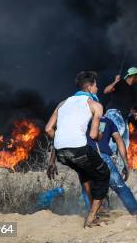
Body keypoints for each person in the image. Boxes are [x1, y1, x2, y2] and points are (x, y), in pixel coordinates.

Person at [44, 71, 110, 228]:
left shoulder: (63, 103)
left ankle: (92, 210)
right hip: (78, 149)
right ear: (88, 87)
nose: (97, 88)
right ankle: (92, 217)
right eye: (95, 85)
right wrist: (101, 135)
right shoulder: (95, 105)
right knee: (104, 174)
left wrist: (52, 160)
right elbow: (94, 134)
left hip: (61, 152)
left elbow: (48, 129)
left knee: (85, 173)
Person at [80, 116, 137, 215]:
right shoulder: (108, 121)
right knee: (120, 187)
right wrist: (126, 163)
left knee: (87, 188)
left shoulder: (82, 120)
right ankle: (136, 212)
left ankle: (92, 215)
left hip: (84, 157)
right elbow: (119, 140)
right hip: (101, 156)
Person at [103, 66, 137, 169]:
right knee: (114, 140)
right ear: (134, 76)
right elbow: (106, 91)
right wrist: (115, 81)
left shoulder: (133, 92)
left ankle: (120, 170)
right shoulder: (120, 83)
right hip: (114, 114)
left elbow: (129, 107)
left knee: (125, 143)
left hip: (124, 118)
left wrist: (134, 113)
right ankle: (107, 163)